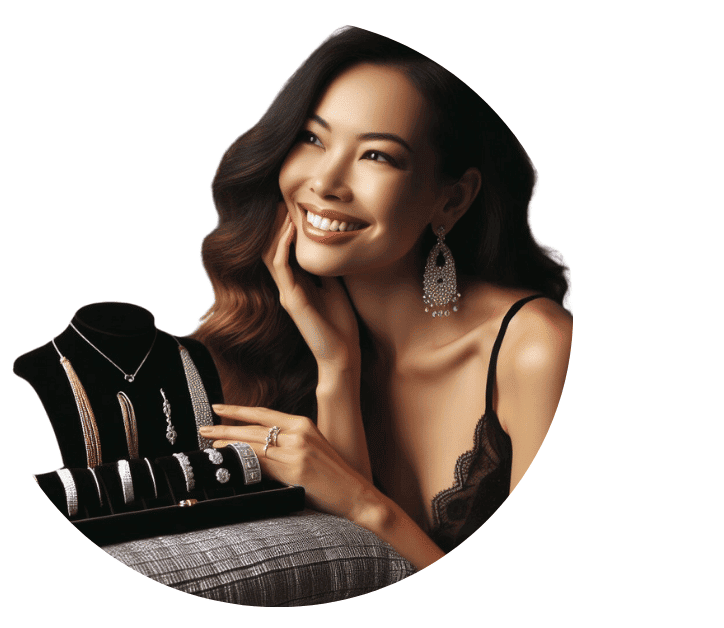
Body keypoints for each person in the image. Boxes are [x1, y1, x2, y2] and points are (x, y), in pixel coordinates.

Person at [192, 26, 571, 570]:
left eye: (377, 156)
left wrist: (364, 504)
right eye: (312, 138)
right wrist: (337, 368)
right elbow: (355, 574)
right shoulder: (296, 344)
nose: (325, 182)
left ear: (452, 199)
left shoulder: (535, 348)